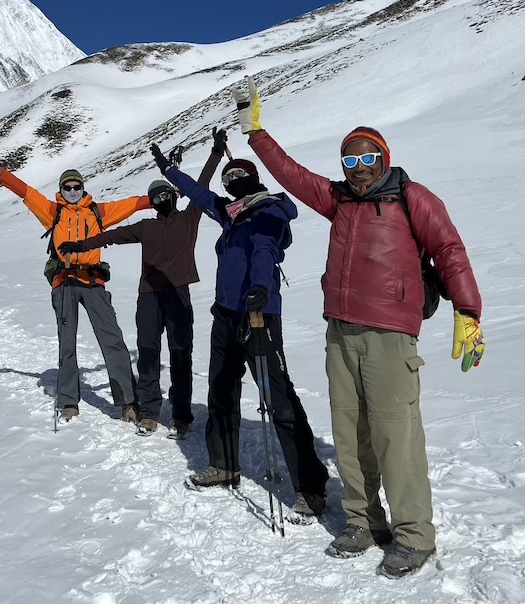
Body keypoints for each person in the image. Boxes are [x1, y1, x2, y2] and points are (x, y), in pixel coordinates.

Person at [240, 76, 484, 578]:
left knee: (397, 434)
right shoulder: (338, 201)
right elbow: (290, 174)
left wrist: (469, 312)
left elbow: (450, 251)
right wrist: (255, 133)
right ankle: (364, 521)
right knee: (350, 434)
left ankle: (414, 534)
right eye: (348, 160)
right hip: (340, 332)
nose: (357, 167)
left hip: (390, 335)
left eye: (366, 157)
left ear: (383, 158)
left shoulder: (412, 197)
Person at [150, 138, 330, 523]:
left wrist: (261, 288)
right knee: (220, 390)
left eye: (237, 175)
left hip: (259, 316)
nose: (230, 180)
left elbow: (265, 249)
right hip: (227, 317)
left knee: (278, 398)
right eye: (228, 177)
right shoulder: (231, 213)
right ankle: (224, 464)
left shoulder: (268, 211)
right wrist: (169, 172)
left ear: (253, 179)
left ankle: (311, 486)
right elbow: (199, 194)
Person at [56, 130, 225, 437]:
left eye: (165, 193)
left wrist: (215, 152)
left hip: (178, 295)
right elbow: (109, 236)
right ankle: (149, 413)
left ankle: (182, 415)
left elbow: (201, 185)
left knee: (180, 354)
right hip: (148, 297)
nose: (161, 198)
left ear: (173, 197)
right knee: (147, 354)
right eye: (155, 195)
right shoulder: (146, 227)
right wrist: (78, 246)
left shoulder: (189, 219)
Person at [0, 147, 149, 423]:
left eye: (76, 186)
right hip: (64, 283)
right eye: (67, 187)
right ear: (61, 189)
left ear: (83, 187)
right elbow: (25, 192)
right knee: (67, 344)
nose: (72, 190)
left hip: (93, 282)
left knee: (112, 340)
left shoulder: (98, 211)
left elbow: (133, 204)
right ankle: (69, 402)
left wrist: (160, 198)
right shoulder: (52, 211)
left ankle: (128, 401)